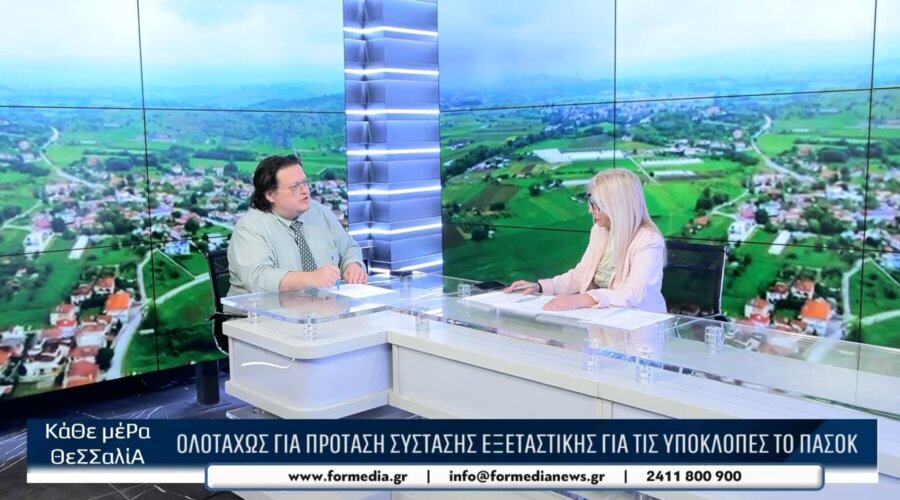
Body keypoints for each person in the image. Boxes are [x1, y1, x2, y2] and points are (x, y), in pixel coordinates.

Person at [504, 169, 667, 313]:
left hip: (638, 325)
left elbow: (636, 293)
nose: (590, 210)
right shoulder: (599, 230)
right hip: (602, 320)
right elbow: (581, 275)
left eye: (597, 205)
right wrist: (540, 287)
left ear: (618, 207)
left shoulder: (648, 240)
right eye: (591, 203)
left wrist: (584, 299)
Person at [227, 154, 367, 296]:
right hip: (261, 309)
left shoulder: (319, 212)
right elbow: (259, 279)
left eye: (304, 183)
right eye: (294, 187)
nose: (305, 190)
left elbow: (348, 247)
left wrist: (352, 264)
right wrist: (311, 278)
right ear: (270, 194)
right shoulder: (249, 228)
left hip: (321, 305)